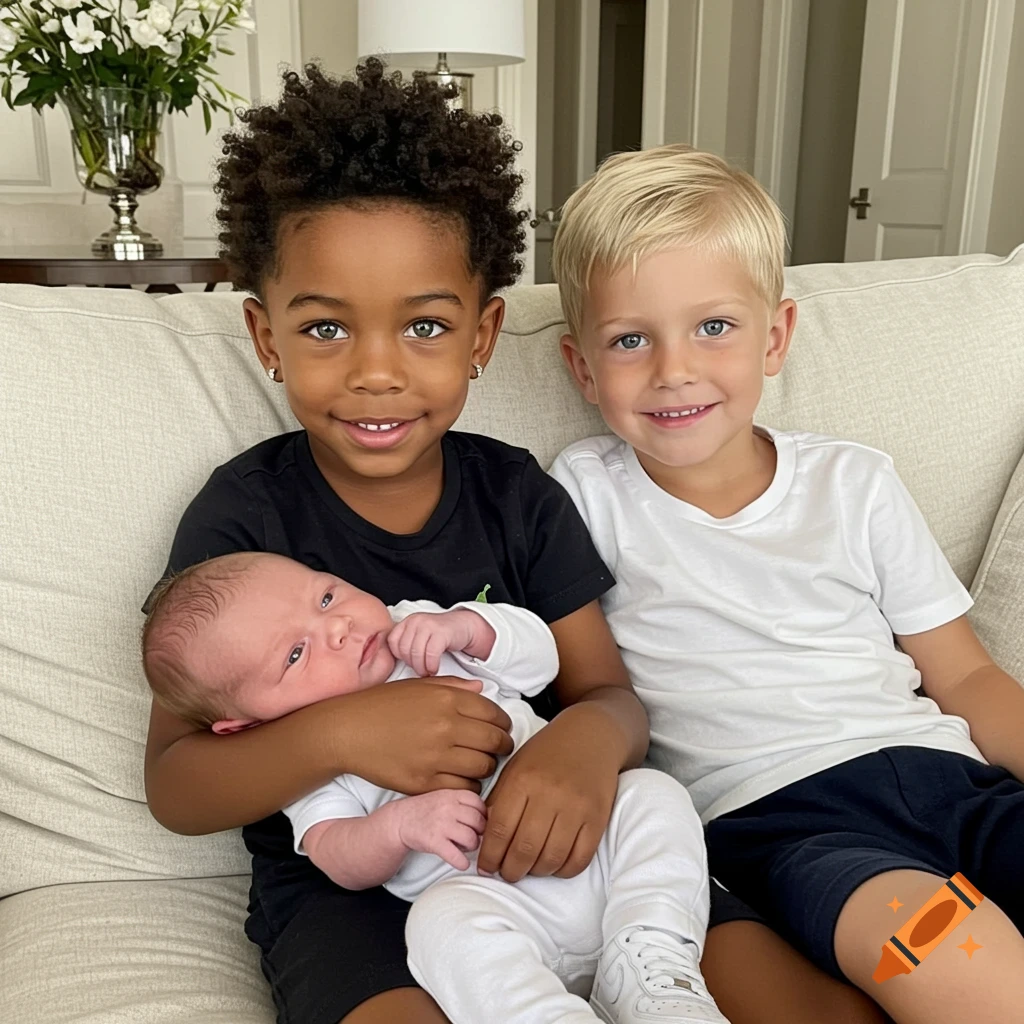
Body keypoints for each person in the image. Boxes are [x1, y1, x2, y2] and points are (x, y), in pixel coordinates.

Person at [142, 60, 652, 1024]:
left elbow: (612, 697)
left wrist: (583, 746)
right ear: (264, 337)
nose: (377, 374)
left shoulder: (517, 496)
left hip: (543, 836)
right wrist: (342, 733)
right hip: (347, 893)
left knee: (754, 973)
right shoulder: (242, 516)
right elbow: (176, 785)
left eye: (424, 325)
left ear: (484, 334)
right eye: (326, 328)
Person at [548, 142, 1024, 1024]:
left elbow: (965, 676)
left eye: (714, 327)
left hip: (953, 781)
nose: (673, 368)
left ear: (776, 338)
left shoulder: (855, 481)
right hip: (785, 825)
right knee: (958, 964)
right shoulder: (578, 496)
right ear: (581, 366)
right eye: (629, 340)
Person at [142, 550, 727, 1024]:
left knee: (652, 795)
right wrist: (395, 828)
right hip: (492, 900)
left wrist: (469, 627)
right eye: (296, 654)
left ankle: (655, 968)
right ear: (246, 724)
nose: (340, 628)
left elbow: (540, 661)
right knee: (438, 925)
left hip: (594, 842)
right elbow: (338, 854)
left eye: (325, 596)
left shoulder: (414, 628)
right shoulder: (306, 760)